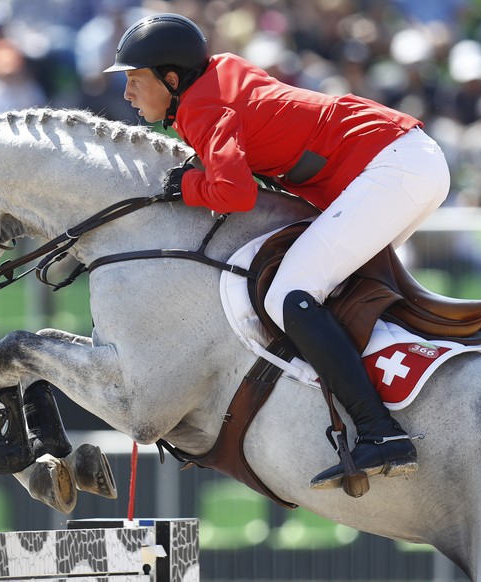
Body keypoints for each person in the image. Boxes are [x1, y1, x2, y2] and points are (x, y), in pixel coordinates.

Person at [104, 13, 450, 491]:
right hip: (405, 160)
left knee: (290, 291)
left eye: (134, 79)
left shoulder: (201, 107)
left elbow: (234, 193)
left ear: (170, 78)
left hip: (391, 168)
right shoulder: (215, 80)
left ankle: (380, 431)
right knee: (327, 293)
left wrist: (184, 184)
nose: (126, 93)